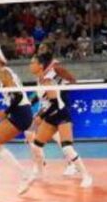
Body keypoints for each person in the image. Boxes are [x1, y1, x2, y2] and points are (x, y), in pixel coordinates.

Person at [26, 47, 93, 188]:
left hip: (61, 114)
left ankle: (86, 175)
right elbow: (42, 100)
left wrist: (41, 116)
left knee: (67, 148)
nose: (30, 65)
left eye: (32, 63)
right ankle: (39, 171)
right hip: (50, 117)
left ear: (40, 66)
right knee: (36, 146)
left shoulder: (48, 79)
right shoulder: (40, 80)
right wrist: (36, 111)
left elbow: (55, 103)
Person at [0, 45, 33, 199]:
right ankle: (23, 174)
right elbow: (14, 98)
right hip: (20, 112)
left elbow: (16, 96)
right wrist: (6, 111)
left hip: (21, 113)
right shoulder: (4, 72)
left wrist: (6, 111)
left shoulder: (4, 73)